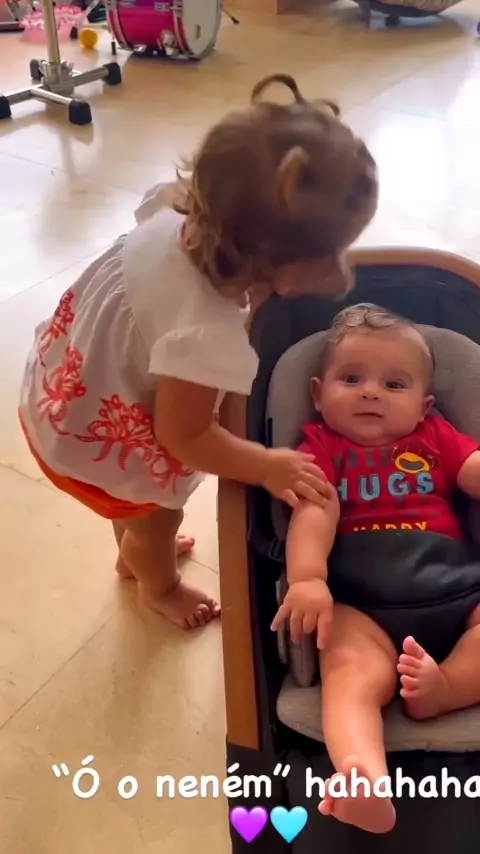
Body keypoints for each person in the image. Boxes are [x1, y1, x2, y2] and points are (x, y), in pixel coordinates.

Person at [18, 74, 378, 632]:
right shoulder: (204, 333)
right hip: (93, 445)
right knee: (158, 517)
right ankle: (156, 583)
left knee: (137, 511)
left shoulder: (178, 210)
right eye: (334, 252)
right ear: (280, 269)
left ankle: (135, 544)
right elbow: (184, 437)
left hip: (68, 388)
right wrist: (265, 464)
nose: (339, 266)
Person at [272, 303, 480, 834]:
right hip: (362, 604)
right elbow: (315, 511)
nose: (370, 393)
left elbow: (475, 472)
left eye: (393, 384)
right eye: (351, 379)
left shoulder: (436, 436)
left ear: (424, 404)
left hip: (457, 592)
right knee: (348, 672)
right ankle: (363, 777)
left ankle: (447, 688)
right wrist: (308, 578)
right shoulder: (322, 447)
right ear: (318, 394)